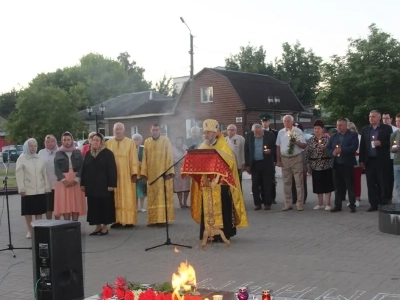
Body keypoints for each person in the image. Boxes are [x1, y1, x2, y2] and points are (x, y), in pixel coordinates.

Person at [189, 119, 248, 242]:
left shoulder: (223, 146)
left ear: (215, 133)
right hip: (207, 184)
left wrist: (218, 158)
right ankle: (209, 233)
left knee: (224, 207)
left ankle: (224, 234)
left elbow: (231, 161)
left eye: (208, 133)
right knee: (207, 208)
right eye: (204, 133)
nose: (206, 135)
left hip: (222, 183)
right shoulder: (202, 146)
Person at [81, 133, 117, 236]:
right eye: (93, 140)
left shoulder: (108, 153)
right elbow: (84, 170)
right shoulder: (88, 154)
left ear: (101, 142)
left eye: (97, 140)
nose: (95, 142)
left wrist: (112, 184)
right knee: (94, 207)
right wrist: (83, 184)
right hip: (92, 186)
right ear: (90, 142)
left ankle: (105, 228)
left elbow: (112, 170)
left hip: (104, 186)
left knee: (104, 206)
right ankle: (97, 227)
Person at [141, 124, 175, 226]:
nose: (155, 132)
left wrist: (169, 172)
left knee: (163, 196)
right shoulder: (147, 142)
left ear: (160, 130)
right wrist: (144, 173)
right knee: (152, 197)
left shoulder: (166, 140)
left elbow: (169, 156)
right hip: (151, 174)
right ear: (150, 131)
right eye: (153, 130)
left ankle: (163, 219)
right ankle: (153, 219)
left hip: (163, 173)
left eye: (157, 130)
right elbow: (144, 158)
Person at [16, 138, 50, 239]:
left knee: (38, 211)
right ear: (26, 146)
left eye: (35, 146)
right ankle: (29, 230)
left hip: (39, 189)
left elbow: (44, 173)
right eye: (31, 146)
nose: (33, 148)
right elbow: (19, 174)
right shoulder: (22, 158)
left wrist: (46, 186)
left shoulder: (39, 158)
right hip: (28, 189)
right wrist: (21, 188)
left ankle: (38, 229)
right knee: (28, 211)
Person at [106, 123, 138, 228]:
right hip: (113, 175)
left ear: (123, 130)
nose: (118, 131)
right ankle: (117, 220)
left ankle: (129, 220)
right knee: (115, 197)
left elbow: (133, 158)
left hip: (126, 175)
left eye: (120, 129)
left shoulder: (130, 142)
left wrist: (134, 173)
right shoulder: (108, 143)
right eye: (116, 129)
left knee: (127, 196)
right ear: (113, 130)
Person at [359, 110, 393, 211]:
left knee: (382, 182)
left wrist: (381, 143)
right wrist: (361, 160)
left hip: (382, 161)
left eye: (373, 116)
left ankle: (383, 202)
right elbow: (363, 146)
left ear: (379, 118)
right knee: (371, 183)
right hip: (369, 161)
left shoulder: (386, 128)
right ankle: (373, 203)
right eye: (370, 117)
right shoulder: (365, 129)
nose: (371, 118)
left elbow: (391, 142)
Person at [327, 119, 359, 213]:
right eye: (337, 125)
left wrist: (342, 150)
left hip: (347, 164)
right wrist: (332, 152)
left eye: (341, 125)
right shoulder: (334, 136)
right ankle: (338, 205)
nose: (339, 127)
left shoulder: (352, 135)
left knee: (350, 185)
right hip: (336, 163)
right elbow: (328, 148)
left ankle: (352, 205)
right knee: (337, 186)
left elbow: (354, 147)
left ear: (345, 126)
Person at [276, 115, 306, 211]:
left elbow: (304, 145)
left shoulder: (298, 131)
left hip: (296, 158)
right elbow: (278, 146)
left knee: (298, 182)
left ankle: (299, 203)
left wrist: (296, 142)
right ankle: (288, 203)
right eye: (285, 121)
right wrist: (278, 160)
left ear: (292, 122)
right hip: (285, 158)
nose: (286, 123)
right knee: (286, 182)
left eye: (288, 121)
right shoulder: (280, 132)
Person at [54, 132, 86, 221]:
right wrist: (63, 180)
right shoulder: (58, 153)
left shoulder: (78, 152)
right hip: (62, 182)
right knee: (65, 203)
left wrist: (77, 179)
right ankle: (67, 224)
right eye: (64, 140)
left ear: (72, 140)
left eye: (68, 139)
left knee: (75, 203)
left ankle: (75, 225)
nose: (67, 142)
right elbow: (56, 168)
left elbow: (81, 166)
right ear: (62, 141)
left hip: (76, 180)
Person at [244, 123, 276, 210]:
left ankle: (267, 203)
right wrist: (247, 164)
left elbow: (275, 147)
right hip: (254, 164)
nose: (257, 134)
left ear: (262, 130)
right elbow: (246, 150)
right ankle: (257, 203)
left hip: (266, 163)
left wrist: (270, 151)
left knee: (267, 184)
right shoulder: (249, 136)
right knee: (255, 184)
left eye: (259, 132)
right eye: (255, 133)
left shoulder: (270, 135)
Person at [305, 120, 334, 210]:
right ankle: (320, 203)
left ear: (322, 129)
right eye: (315, 128)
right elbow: (307, 153)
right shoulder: (311, 140)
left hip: (326, 164)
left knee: (327, 184)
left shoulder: (327, 139)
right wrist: (308, 164)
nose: (316, 130)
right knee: (318, 184)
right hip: (315, 165)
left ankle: (328, 203)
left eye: (318, 128)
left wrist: (325, 148)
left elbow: (331, 152)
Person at [38, 134, 60, 220]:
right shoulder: (41, 153)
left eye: (52, 141)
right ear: (45, 143)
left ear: (55, 142)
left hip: (58, 183)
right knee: (48, 207)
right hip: (46, 184)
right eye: (48, 142)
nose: (50, 143)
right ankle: (49, 224)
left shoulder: (60, 151)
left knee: (57, 207)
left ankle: (58, 225)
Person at [259, 113, 278, 204]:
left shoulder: (274, 132)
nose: (264, 123)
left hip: (270, 159)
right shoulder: (258, 132)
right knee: (261, 180)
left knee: (271, 179)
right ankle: (263, 197)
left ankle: (272, 197)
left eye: (266, 121)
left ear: (269, 122)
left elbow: (276, 147)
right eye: (263, 121)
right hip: (260, 159)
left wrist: (275, 160)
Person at [382, 113, 398, 200]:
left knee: (393, 178)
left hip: (394, 157)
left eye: (387, 118)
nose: (385, 120)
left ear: (391, 119)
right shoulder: (381, 129)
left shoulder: (395, 130)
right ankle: (386, 196)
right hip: (385, 157)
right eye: (384, 118)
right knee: (386, 178)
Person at [292, 122, 308, 204]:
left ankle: (303, 197)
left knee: (302, 179)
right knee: (293, 180)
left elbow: (305, 150)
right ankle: (294, 197)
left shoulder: (303, 138)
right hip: (292, 159)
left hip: (301, 159)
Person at [173, 137, 190, 209]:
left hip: (185, 169)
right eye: (178, 141)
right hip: (177, 169)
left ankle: (185, 202)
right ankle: (180, 203)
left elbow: (188, 157)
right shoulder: (172, 149)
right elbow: (172, 158)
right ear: (176, 142)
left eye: (180, 141)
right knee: (179, 187)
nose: (179, 143)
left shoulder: (185, 147)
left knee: (186, 186)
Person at [347, 122, 362, 206]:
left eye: (351, 129)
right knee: (350, 181)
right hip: (348, 161)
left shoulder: (359, 137)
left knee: (357, 180)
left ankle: (357, 197)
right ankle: (351, 197)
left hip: (357, 160)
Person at [132, 133, 147, 213]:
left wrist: (142, 164)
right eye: (134, 139)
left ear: (141, 141)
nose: (136, 141)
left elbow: (146, 160)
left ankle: (142, 207)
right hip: (133, 172)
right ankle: (136, 207)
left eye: (138, 139)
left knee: (142, 190)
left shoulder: (143, 149)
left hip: (141, 172)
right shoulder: (130, 149)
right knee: (134, 191)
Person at [390, 114, 400, 203]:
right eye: (397, 121)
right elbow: (390, 148)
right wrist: (393, 149)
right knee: (398, 184)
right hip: (396, 162)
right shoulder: (394, 134)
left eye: (399, 121)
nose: (398, 123)